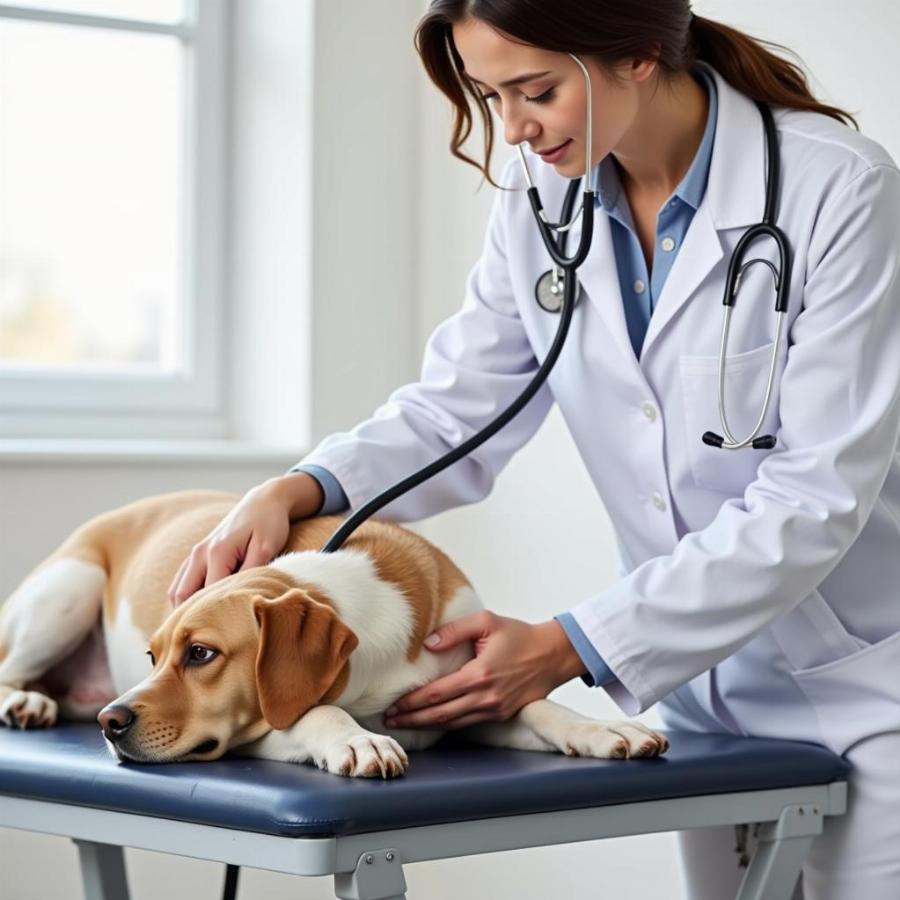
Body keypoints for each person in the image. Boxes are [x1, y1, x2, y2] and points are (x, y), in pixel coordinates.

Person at [169, 3, 900, 897]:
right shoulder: (542, 196)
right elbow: (457, 410)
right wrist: (301, 488)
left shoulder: (837, 187)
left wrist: (572, 644)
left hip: (866, 685)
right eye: (490, 95)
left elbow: (813, 494)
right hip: (703, 686)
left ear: (636, 54)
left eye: (537, 91)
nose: (513, 128)